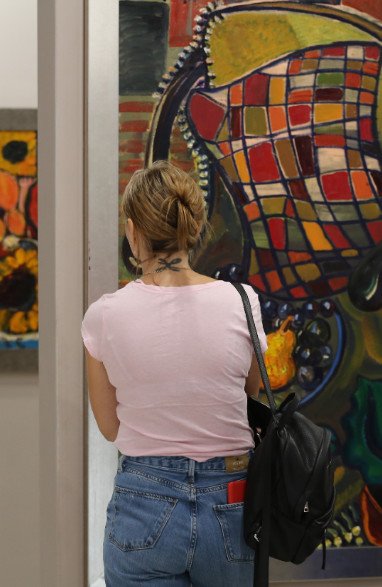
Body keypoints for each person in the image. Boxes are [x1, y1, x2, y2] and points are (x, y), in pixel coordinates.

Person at [81, 160, 268, 586]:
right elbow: (248, 395)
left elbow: (109, 428)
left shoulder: (104, 316)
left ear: (133, 231)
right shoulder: (241, 301)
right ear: (194, 227)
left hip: (144, 499)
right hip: (231, 499)